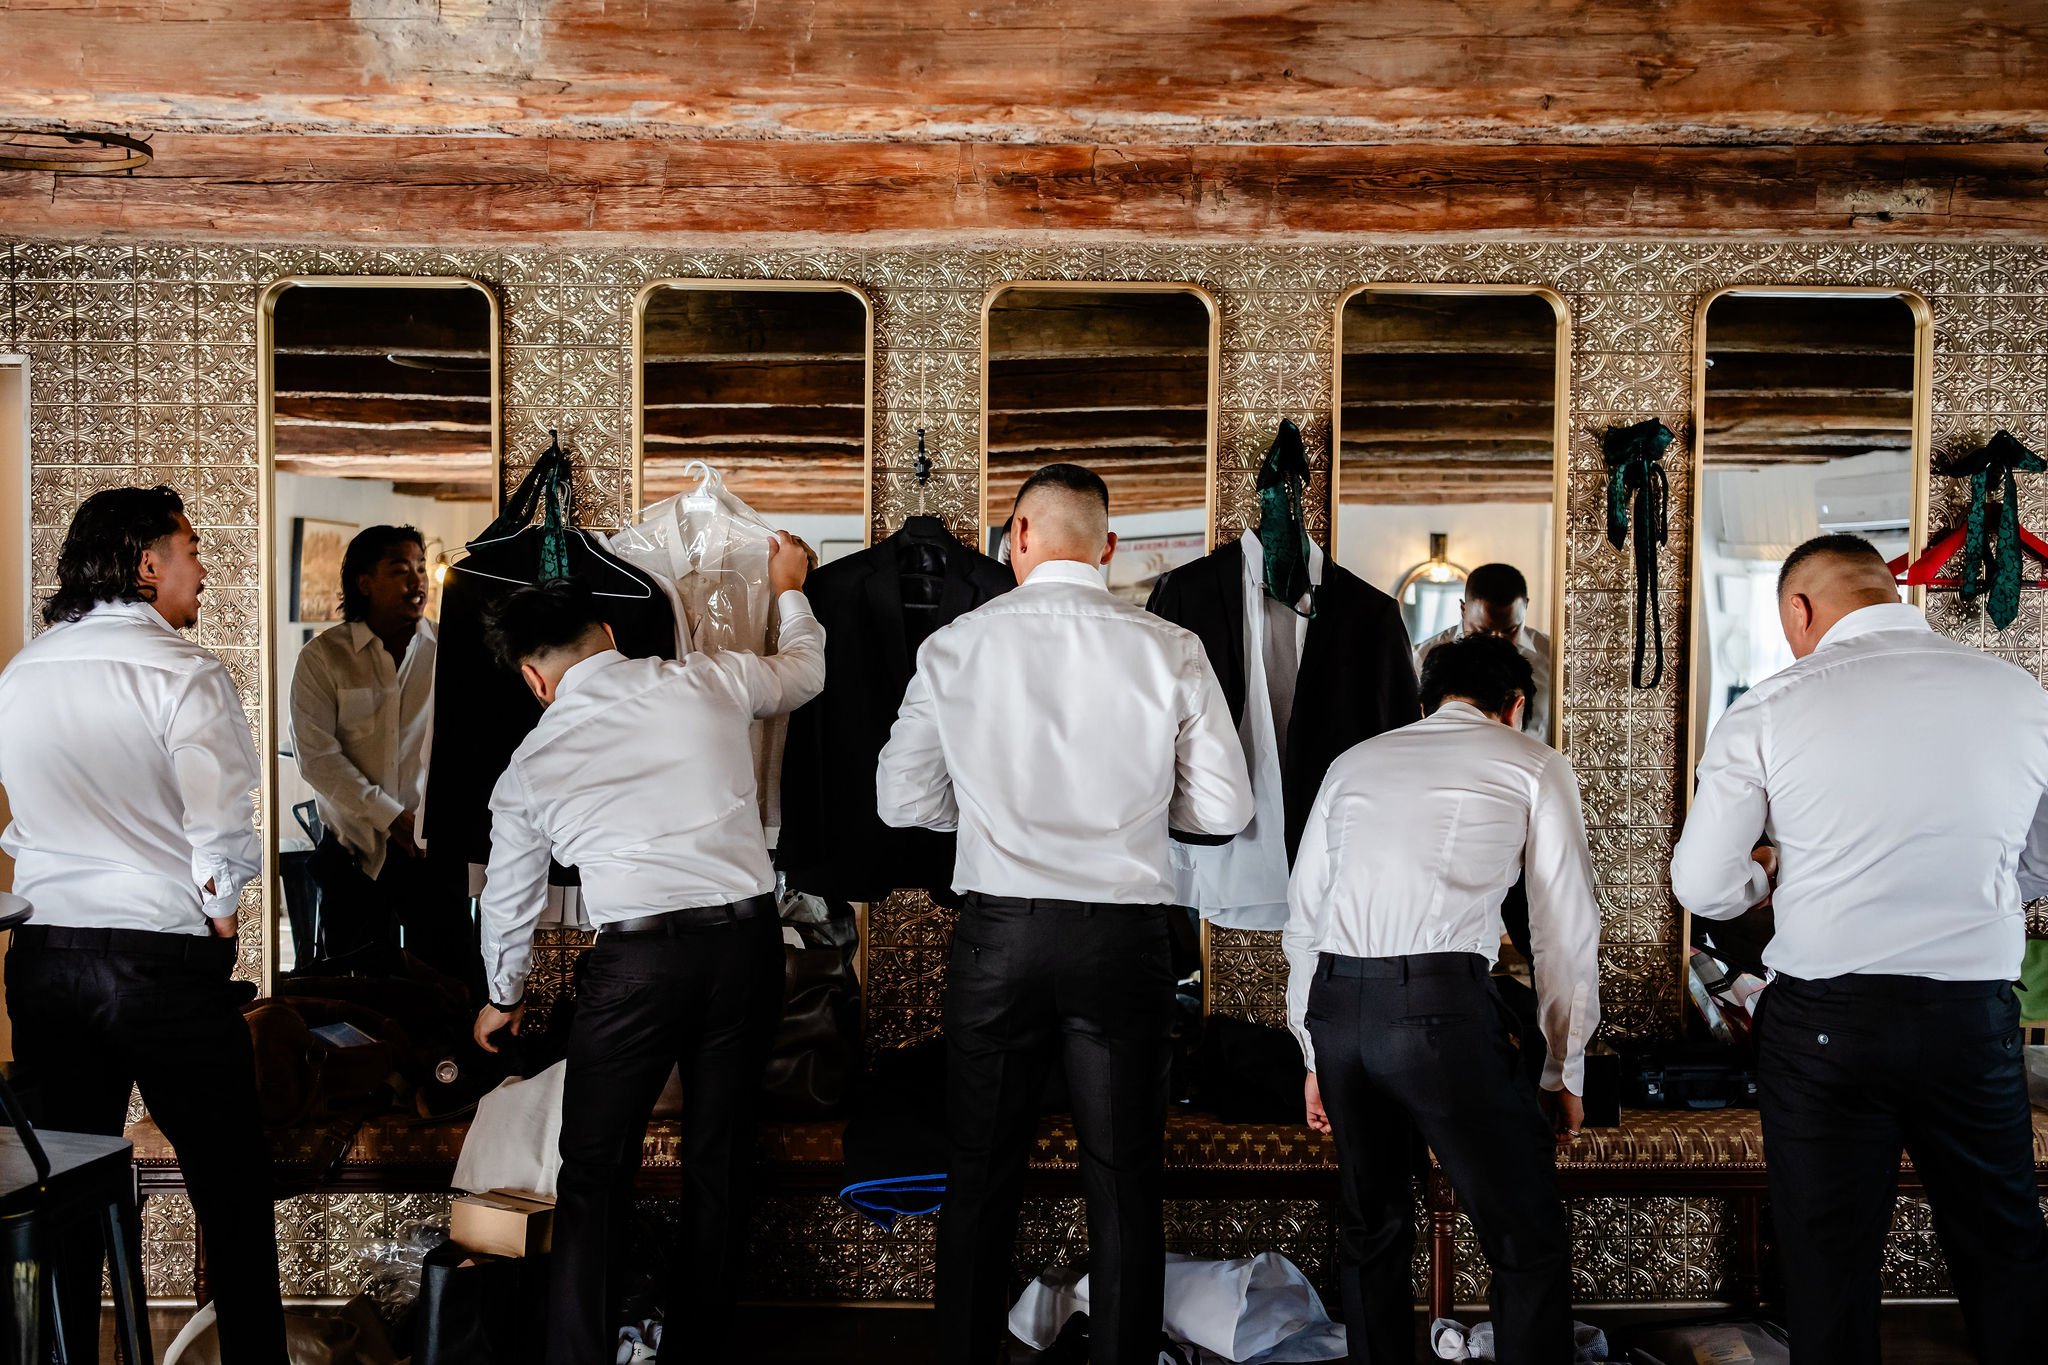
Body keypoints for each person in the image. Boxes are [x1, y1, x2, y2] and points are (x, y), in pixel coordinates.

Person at [876, 464, 1254, 1365]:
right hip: (1123, 940)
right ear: (1109, 546)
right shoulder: (1169, 646)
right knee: (1124, 1180)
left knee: (980, 1172)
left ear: (1017, 537)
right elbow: (1225, 810)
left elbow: (899, 800)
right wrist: (1135, 813)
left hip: (999, 934)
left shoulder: (958, 645)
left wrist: (985, 815)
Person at [1671, 533, 2048, 1365]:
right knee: (2004, 1250)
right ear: (1889, 590)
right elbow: (2041, 856)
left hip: (1828, 1026)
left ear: (1799, 610)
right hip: (1970, 1018)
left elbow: (1701, 883)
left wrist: (1770, 878)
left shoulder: (1770, 705)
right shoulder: (2019, 693)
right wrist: (1972, 892)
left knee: (1829, 1266)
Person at [468, 533, 823, 1365]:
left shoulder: (530, 763)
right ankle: (697, 1348)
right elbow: (806, 672)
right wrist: (788, 589)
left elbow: (511, 900)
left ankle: (582, 1354)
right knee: (722, 1154)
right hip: (744, 945)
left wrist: (505, 994)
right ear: (610, 633)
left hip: (634, 966)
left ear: (534, 678)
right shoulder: (707, 677)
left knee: (593, 1166)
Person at [0, 486, 286, 1364]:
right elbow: (220, 827)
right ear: (146, 563)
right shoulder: (185, 672)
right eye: (191, 548)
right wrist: (222, 920)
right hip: (158, 961)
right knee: (232, 1191)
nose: (204, 569)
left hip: (45, 957)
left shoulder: (22, 671)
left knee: (71, 1189)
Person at [1284, 633, 1599, 1365]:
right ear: (1515, 706)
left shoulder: (1354, 763)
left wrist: (1312, 1055)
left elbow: (1306, 920)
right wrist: (1564, 1069)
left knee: (1373, 1227)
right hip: (1435, 1013)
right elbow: (1564, 932)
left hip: (1336, 1008)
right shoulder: (1533, 763)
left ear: (1424, 704)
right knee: (1524, 1235)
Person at [289, 525, 465, 976]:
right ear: (365, 582)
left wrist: (431, 822)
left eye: (421, 569)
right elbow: (318, 758)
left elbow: (469, 744)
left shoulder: (452, 651)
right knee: (356, 987)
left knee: (448, 981)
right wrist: (391, 817)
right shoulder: (323, 657)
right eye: (400, 569)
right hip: (353, 853)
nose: (418, 582)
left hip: (434, 850)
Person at [1414, 562, 1553, 744]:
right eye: (1483, 630)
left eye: (1510, 630)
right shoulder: (1420, 659)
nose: (1497, 640)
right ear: (1464, 610)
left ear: (1525, 607)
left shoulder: (1554, 656)